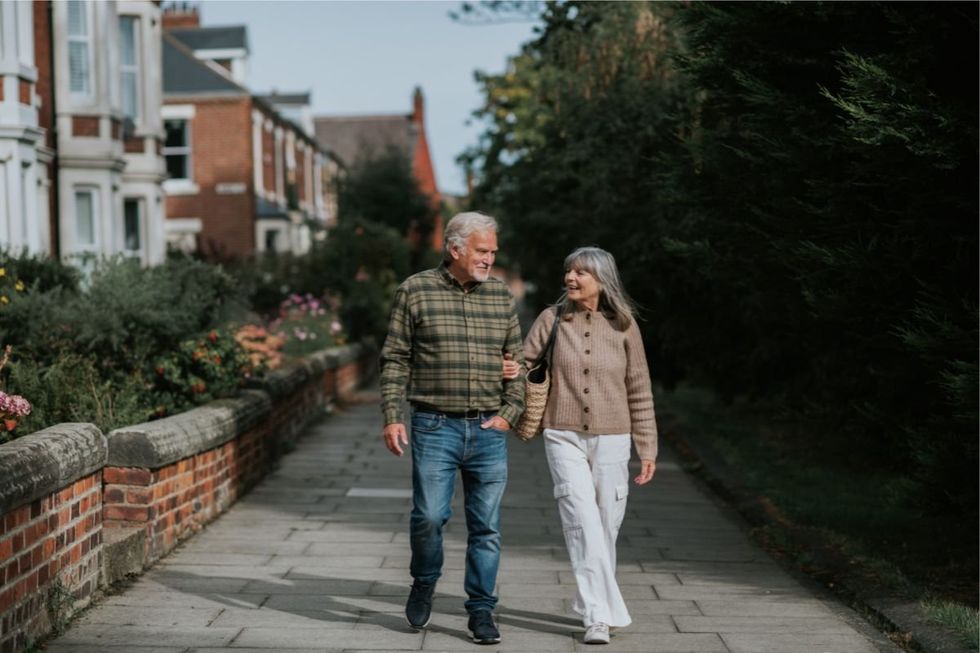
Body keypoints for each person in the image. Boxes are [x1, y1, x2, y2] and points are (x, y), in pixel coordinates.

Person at [379, 211, 525, 645]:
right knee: (428, 516)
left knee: (487, 526)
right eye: (483, 251)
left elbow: (518, 365)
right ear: (455, 249)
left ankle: (481, 611)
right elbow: (395, 357)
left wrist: (508, 414)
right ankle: (424, 581)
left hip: (488, 428)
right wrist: (391, 416)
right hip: (434, 424)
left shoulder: (500, 296)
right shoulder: (415, 290)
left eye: (493, 252)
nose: (490, 259)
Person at [520, 246, 657, 645]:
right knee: (581, 520)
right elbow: (523, 362)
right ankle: (598, 616)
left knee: (605, 525)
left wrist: (647, 447)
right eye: (568, 271)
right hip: (561, 433)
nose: (571, 278)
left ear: (601, 278)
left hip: (614, 436)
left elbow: (640, 389)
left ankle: (596, 605)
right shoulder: (552, 318)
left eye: (581, 272)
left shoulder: (624, 325)